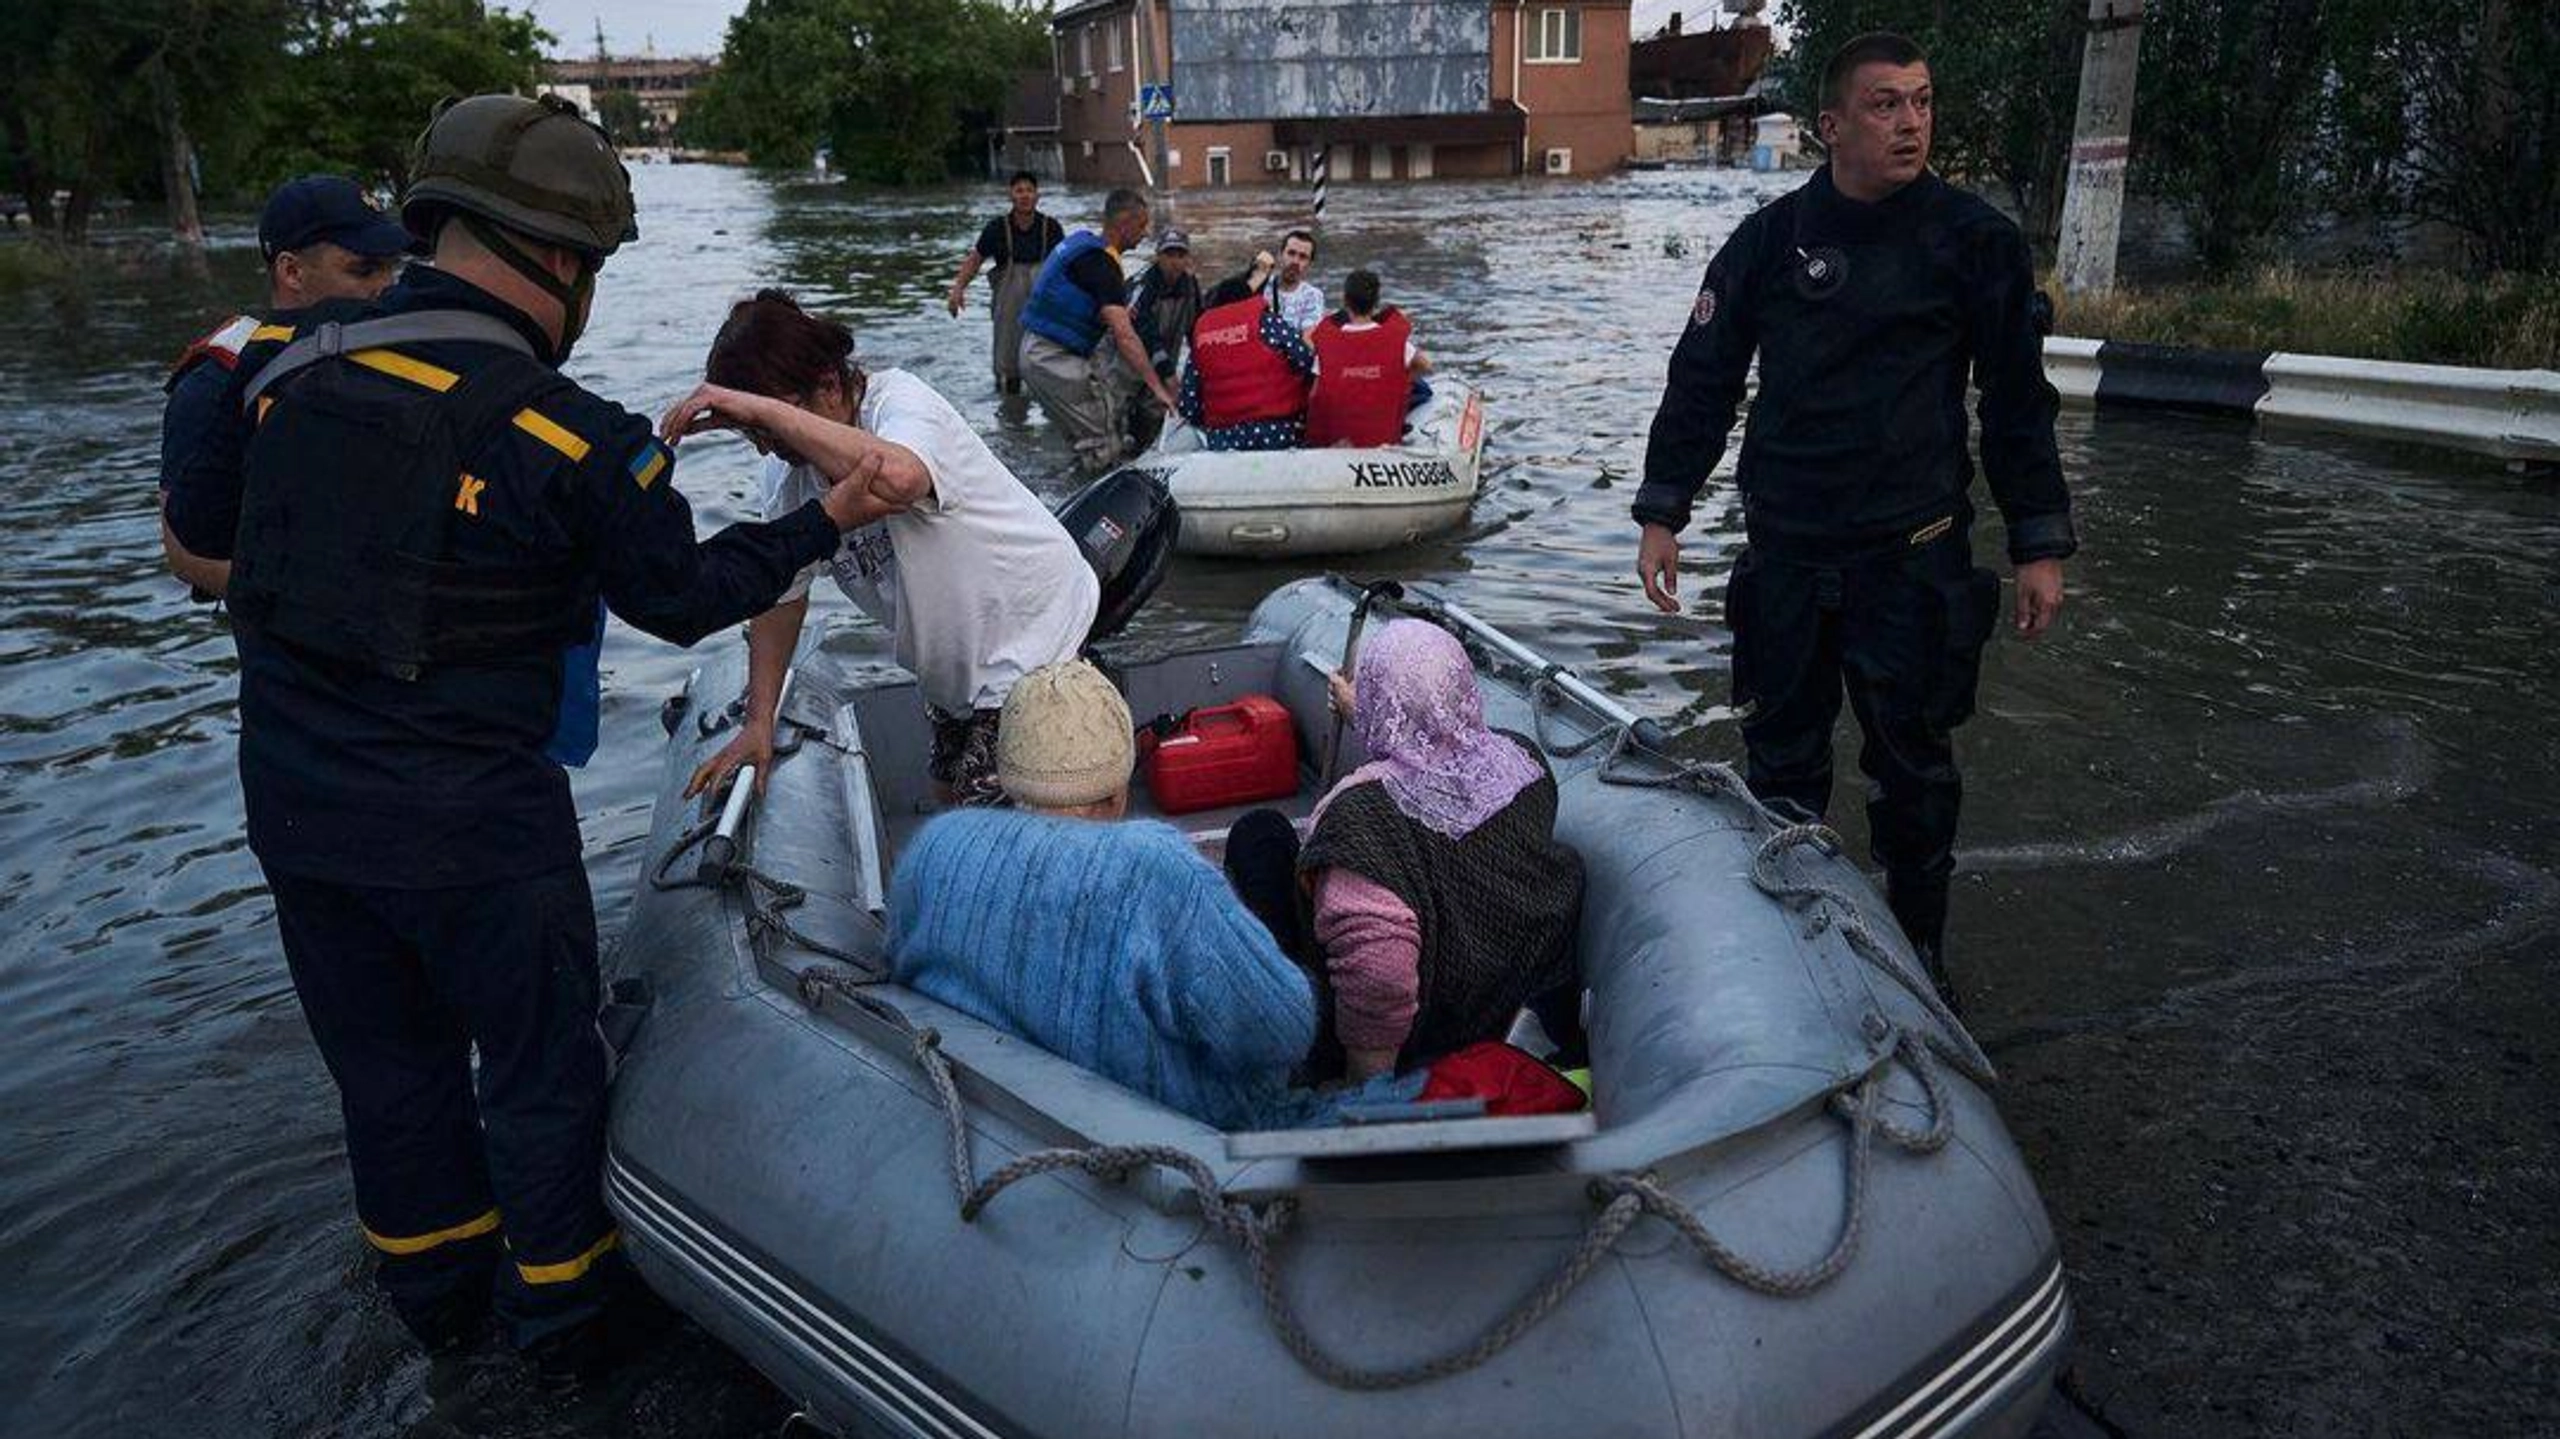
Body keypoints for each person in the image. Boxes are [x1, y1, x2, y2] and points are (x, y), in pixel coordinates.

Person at [162, 94, 890, 1374]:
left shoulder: (270, 373)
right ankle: (561, 1337)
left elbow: (209, 553)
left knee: (388, 1082)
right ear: (561, 260)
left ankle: (439, 1317)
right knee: (542, 1075)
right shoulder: (572, 437)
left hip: (298, 814)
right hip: (474, 833)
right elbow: (687, 596)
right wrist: (825, 515)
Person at [1633, 32, 2076, 1008]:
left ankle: (1919, 958)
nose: (1910, 121)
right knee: (1779, 763)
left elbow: (2015, 399)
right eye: (1885, 104)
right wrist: (1664, 507)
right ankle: (1792, 957)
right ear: (1831, 125)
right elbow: (1701, 379)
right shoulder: (1768, 242)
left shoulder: (1974, 242)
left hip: (1909, 559)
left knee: (1913, 770)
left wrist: (2040, 537)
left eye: (1921, 101)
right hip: (1787, 554)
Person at [666, 290, 1100, 809]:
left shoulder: (900, 403)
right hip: (954, 674)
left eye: (769, 424)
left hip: (1036, 645)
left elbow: (901, 478)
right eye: (749, 432)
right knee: (946, 800)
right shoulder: (788, 476)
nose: (765, 445)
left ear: (829, 381)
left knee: (985, 835)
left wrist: (763, 410)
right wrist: (759, 724)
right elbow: (782, 595)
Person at [888, 660, 1316, 1129]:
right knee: (1264, 837)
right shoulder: (1154, 871)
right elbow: (1283, 1030)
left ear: (1008, 777)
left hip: (995, 1115)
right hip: (1176, 1136)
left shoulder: (936, 844)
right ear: (1118, 794)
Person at [1226, 620, 1585, 1081]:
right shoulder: (1524, 763)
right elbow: (1443, 748)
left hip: (1406, 1041)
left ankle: (1279, 1022)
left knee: (1260, 833)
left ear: (1381, 701)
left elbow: (1378, 975)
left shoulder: (1360, 819)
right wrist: (1370, 715)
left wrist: (1366, 1089)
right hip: (1496, 1005)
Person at [160, 175, 410, 597]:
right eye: (364, 269)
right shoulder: (215, 384)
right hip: (290, 639)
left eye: (391, 267)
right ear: (292, 271)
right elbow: (185, 554)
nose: (385, 286)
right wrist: (324, 600)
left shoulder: (401, 359)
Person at [1018, 189, 1180, 475]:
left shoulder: (1082, 243)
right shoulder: (1104, 265)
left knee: (1085, 442)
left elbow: (1073, 299)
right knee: (1104, 443)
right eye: (1142, 226)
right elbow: (1126, 337)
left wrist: (1107, 315)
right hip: (1052, 359)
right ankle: (1099, 511)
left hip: (1034, 352)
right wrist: (1159, 389)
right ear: (1124, 225)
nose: (1144, 235)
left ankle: (1072, 490)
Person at [944, 170, 1064, 395]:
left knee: (1049, 362)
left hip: (1043, 305)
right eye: (1019, 191)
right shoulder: (997, 228)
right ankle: (1011, 418)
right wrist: (958, 289)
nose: (1025, 195)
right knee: (1009, 366)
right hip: (1008, 306)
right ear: (1011, 196)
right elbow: (975, 260)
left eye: (1029, 190)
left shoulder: (1052, 227)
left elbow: (1066, 266)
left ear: (1037, 196)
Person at [1176, 274, 1314, 451]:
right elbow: (1305, 359)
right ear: (1250, 298)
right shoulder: (1267, 322)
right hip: (1277, 433)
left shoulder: (1201, 335)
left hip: (1222, 439)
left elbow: (1188, 404)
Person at [1304, 268, 1432, 449]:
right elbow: (1426, 365)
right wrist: (1401, 380)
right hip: (1383, 440)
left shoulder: (1327, 345)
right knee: (1423, 391)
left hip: (1339, 445)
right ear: (1376, 303)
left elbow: (1314, 396)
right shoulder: (1395, 340)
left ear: (1345, 301)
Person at [1124, 227, 1201, 451]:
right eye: (1169, 255)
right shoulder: (1143, 285)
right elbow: (1146, 333)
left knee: (1156, 415)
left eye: (1180, 255)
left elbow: (1196, 331)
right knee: (1117, 417)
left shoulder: (1190, 286)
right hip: (1127, 365)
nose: (1175, 261)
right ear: (1158, 256)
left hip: (1161, 363)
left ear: (1188, 258)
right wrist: (1168, 375)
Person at [1267, 228, 1325, 336]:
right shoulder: (1261, 286)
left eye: (1303, 257)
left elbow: (1308, 339)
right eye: (1291, 253)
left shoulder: (1313, 296)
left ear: (1309, 264)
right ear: (1280, 255)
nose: (1295, 261)